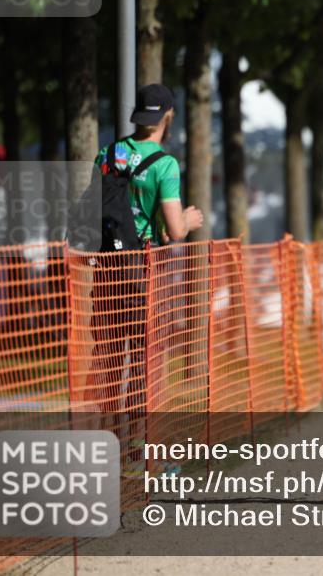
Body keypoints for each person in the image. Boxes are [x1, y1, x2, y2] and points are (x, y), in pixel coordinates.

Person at [86, 84, 204, 467]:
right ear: (167, 116)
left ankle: (105, 440)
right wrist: (188, 219)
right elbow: (174, 230)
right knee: (142, 359)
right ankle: (137, 446)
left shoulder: (108, 153)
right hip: (141, 269)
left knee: (107, 356)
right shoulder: (165, 164)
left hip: (106, 267)